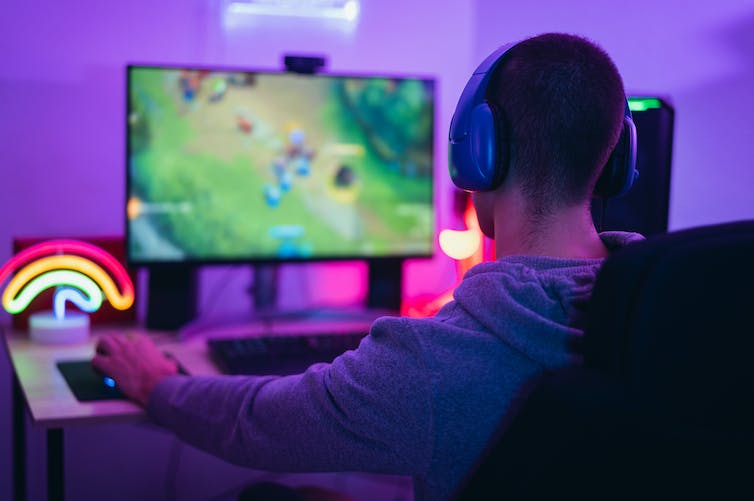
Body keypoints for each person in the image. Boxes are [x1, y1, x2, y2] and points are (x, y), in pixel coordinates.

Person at [94, 33, 644, 501]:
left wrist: (160, 385)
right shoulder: (677, 309)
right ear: (616, 159)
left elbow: (258, 423)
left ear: (477, 150)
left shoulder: (432, 362)